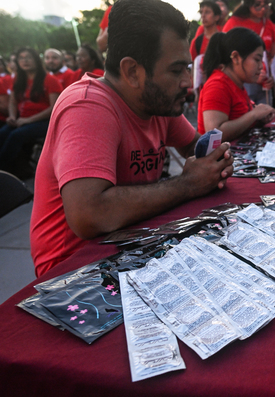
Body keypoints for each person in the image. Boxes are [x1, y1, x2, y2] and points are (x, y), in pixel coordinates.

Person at [30, 0, 234, 277]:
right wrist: (188, 184)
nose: (187, 81)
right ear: (132, 72)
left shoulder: (157, 101)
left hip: (131, 247)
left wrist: (214, 161)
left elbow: (195, 148)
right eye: (176, 70)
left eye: (187, 68)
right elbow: (89, 215)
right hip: (74, 273)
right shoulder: (88, 106)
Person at [198, 27, 275, 141]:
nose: (261, 66)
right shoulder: (217, 85)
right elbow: (213, 134)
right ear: (236, 58)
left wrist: (258, 120)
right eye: (257, 59)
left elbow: (239, 123)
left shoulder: (236, 84)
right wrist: (254, 115)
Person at [0, 47, 63, 172]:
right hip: (21, 119)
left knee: (16, 135)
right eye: (21, 58)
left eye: (28, 57)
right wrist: (12, 116)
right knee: (2, 133)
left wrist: (28, 120)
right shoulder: (18, 80)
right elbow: (13, 102)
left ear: (36, 60)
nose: (25, 61)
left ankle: (4, 170)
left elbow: (54, 108)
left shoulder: (50, 80)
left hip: (44, 122)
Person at [223, 0, 275, 104]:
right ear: (248, 4)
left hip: (264, 84)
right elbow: (225, 53)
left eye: (266, 4)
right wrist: (251, 74)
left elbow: (273, 56)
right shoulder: (234, 22)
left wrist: (271, 77)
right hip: (241, 84)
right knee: (246, 115)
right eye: (257, 5)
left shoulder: (268, 24)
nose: (262, 8)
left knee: (265, 116)